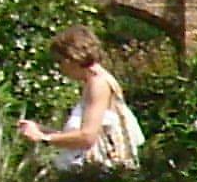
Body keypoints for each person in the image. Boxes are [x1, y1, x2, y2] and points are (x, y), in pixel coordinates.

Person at [17, 26, 142, 168]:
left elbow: (87, 138)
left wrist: (44, 138)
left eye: (60, 61)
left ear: (72, 57)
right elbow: (91, 135)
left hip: (99, 177)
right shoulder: (94, 82)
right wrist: (42, 130)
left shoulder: (98, 84)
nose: (60, 68)